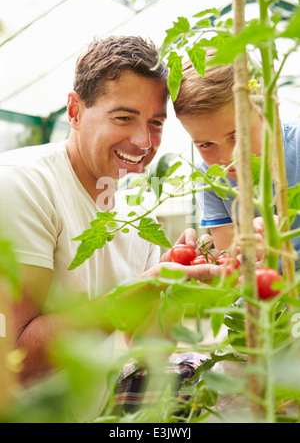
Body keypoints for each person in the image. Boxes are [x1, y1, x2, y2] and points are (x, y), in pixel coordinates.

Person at [0, 36, 220, 418]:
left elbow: (150, 349)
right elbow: (13, 361)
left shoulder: (135, 211)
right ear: (74, 111)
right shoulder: (22, 186)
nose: (142, 141)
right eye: (123, 117)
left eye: (155, 123)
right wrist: (136, 292)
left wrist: (171, 292)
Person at [173, 48, 300, 263]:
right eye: (205, 144)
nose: (227, 158)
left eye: (238, 135)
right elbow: (232, 259)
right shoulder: (210, 176)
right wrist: (215, 256)